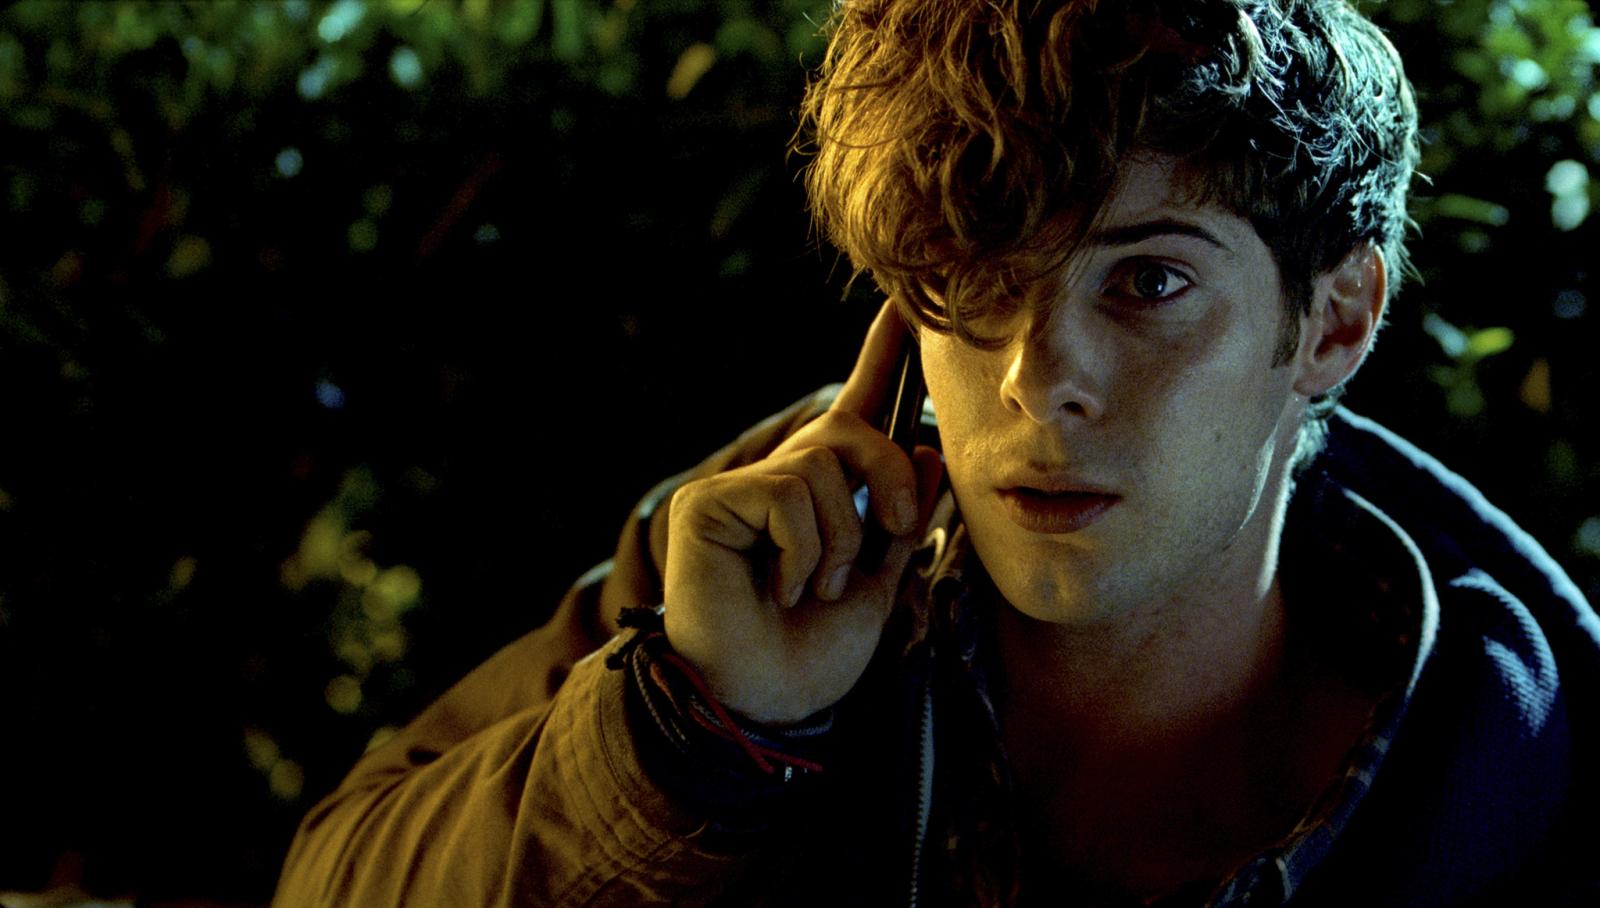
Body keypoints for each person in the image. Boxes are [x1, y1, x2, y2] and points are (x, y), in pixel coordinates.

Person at [273, 0, 1600, 905]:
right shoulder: (763, 568)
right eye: (974, 278)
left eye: (1147, 282)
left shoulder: (1523, 773)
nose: (1037, 377)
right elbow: (329, 880)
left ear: (1335, 320)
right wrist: (700, 736)